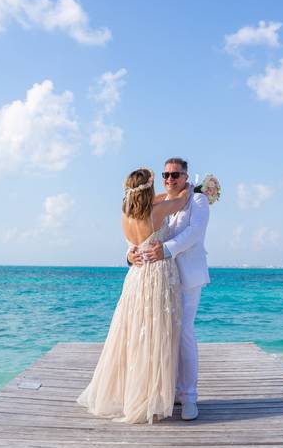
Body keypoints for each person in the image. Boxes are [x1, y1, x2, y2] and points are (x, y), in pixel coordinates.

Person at [77, 168, 191, 424]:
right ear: (148, 188)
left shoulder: (125, 215)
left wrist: (130, 255)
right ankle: (152, 397)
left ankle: (137, 393)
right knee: (157, 334)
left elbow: (160, 201)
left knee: (135, 334)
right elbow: (181, 200)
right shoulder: (158, 211)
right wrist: (191, 184)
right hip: (158, 275)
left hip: (136, 277)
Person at [129, 157, 210, 421]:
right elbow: (140, 232)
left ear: (186, 176)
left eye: (176, 175)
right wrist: (129, 254)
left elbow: (194, 233)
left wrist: (165, 250)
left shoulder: (198, 201)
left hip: (186, 277)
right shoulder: (159, 201)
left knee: (184, 331)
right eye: (166, 175)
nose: (170, 179)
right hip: (158, 280)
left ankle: (189, 397)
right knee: (162, 334)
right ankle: (169, 391)